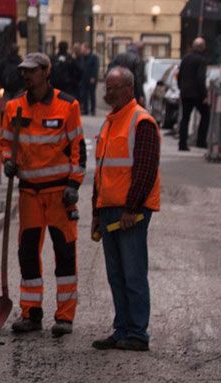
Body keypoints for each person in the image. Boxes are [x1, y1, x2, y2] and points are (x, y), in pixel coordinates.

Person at [0, 53, 86, 337]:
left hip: (59, 193)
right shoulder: (14, 107)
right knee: (28, 254)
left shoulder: (68, 105)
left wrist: (74, 184)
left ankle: (64, 318)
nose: (27, 76)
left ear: (46, 73)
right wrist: (7, 161)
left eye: (33, 71)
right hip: (29, 194)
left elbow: (78, 148)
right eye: (24, 71)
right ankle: (31, 314)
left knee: (64, 254)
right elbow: (6, 142)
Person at [91, 67, 159, 351]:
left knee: (132, 273)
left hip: (130, 211)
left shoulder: (141, 121)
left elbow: (144, 170)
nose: (109, 93)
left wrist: (132, 209)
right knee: (116, 274)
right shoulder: (110, 122)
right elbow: (102, 171)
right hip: (109, 209)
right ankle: (122, 329)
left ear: (129, 89)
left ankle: (137, 333)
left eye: (115, 87)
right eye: (107, 87)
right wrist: (96, 211)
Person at [177, 37, 211, 151]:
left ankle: (182, 144)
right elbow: (200, 78)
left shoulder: (185, 58)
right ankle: (201, 141)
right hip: (197, 93)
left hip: (185, 92)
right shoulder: (202, 60)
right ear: (202, 48)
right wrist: (204, 95)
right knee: (206, 114)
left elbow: (180, 75)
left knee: (185, 118)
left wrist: (180, 88)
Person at [78, 42, 100, 115]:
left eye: (82, 48)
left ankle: (93, 110)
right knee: (84, 94)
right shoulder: (82, 57)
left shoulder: (94, 57)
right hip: (84, 79)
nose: (81, 50)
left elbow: (95, 68)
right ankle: (85, 109)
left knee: (92, 94)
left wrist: (93, 77)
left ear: (87, 48)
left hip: (91, 79)